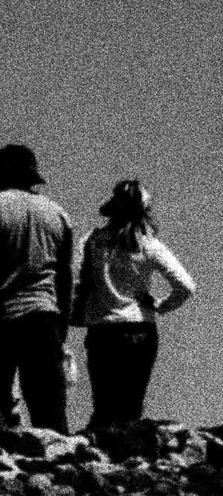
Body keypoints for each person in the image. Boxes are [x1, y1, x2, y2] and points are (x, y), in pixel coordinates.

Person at [0, 144, 75, 434]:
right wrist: (61, 329)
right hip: (43, 317)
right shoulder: (58, 215)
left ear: (6, 171)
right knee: (50, 412)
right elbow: (65, 279)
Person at [72, 179, 197, 428]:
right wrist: (160, 305)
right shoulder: (148, 245)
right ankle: (130, 458)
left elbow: (72, 278)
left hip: (103, 329)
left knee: (104, 406)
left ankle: (99, 457)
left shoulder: (91, 241)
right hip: (140, 328)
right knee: (132, 407)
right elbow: (186, 286)